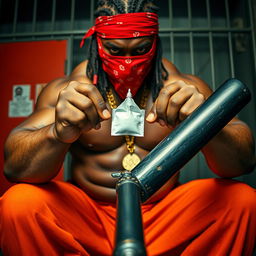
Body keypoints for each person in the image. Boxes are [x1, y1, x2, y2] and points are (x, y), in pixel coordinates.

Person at [1, 0, 256, 255]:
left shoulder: (184, 88)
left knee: (242, 200)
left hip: (162, 216)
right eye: (114, 50)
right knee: (20, 203)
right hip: (89, 217)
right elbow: (15, 168)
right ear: (97, 43)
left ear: (155, 43)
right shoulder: (65, 91)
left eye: (141, 49)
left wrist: (206, 122)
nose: (128, 62)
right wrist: (56, 133)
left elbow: (242, 162)